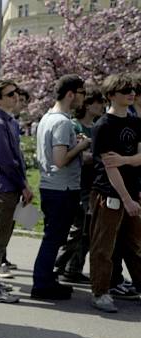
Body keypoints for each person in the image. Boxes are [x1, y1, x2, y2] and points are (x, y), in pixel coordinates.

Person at [31, 74, 89, 300]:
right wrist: (83, 145)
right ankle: (42, 284)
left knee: (52, 237)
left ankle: (46, 280)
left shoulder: (48, 117)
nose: (83, 99)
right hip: (62, 189)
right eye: (82, 93)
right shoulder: (63, 122)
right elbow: (60, 159)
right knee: (53, 238)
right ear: (71, 94)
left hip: (51, 187)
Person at [88, 74, 141, 313]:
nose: (131, 93)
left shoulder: (135, 122)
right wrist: (126, 199)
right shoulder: (103, 126)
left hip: (132, 191)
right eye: (125, 90)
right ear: (111, 96)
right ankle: (100, 292)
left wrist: (126, 159)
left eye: (132, 90)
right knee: (103, 246)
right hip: (108, 193)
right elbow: (110, 167)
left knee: (135, 243)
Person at [0, 79, 34, 304]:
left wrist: (22, 184)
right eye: (10, 94)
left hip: (8, 187)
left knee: (1, 237)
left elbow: (15, 158)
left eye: (17, 93)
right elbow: (6, 161)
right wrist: (23, 185)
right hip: (1, 187)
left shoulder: (7, 121)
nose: (15, 97)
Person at [55, 88, 105, 283]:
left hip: (94, 183)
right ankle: (60, 266)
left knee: (87, 230)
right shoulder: (75, 126)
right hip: (79, 183)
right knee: (78, 229)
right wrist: (96, 156)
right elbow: (78, 156)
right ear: (87, 105)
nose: (101, 105)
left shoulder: (96, 127)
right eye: (98, 101)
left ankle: (73, 267)